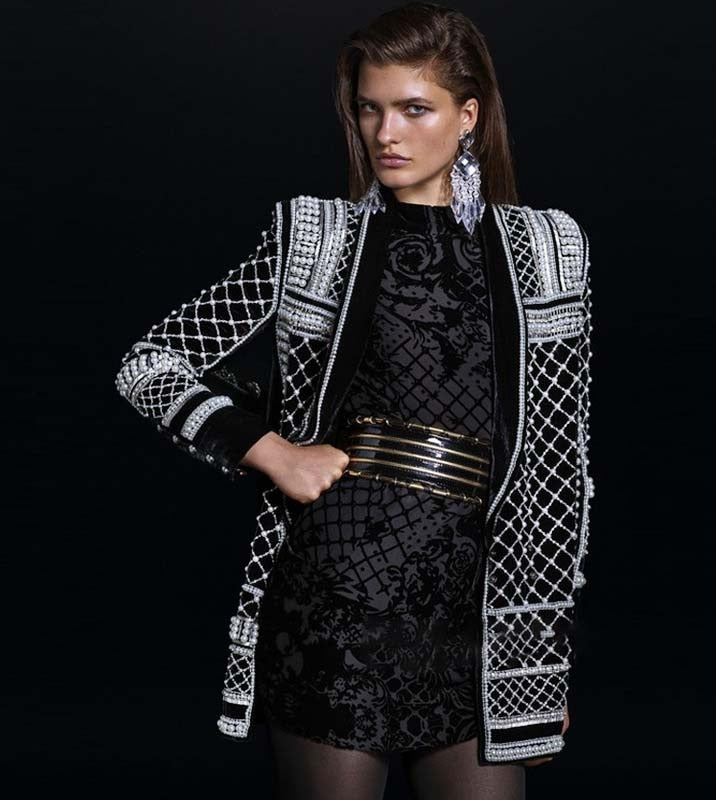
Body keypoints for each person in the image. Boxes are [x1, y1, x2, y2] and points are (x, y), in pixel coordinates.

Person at [114, 3, 593, 799]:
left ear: (468, 117)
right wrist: (270, 451)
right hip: (338, 599)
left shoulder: (548, 251)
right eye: (370, 109)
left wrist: (538, 658)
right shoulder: (318, 237)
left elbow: (553, 467)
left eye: (414, 108)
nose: (386, 133)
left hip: (475, 617)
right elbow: (149, 364)